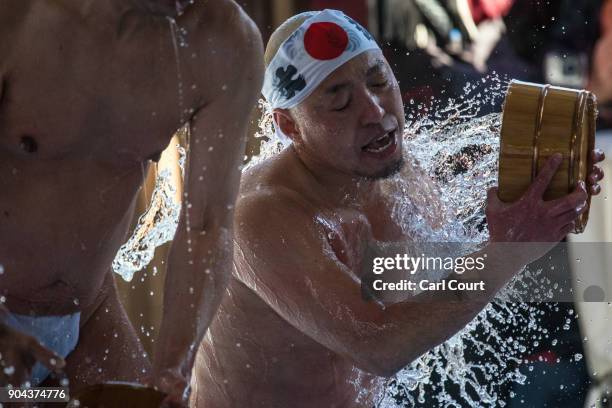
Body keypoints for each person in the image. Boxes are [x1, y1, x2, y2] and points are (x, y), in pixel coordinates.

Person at [190, 9, 605, 408]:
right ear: (289, 126)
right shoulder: (261, 216)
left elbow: (446, 281)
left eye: (379, 82)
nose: (375, 112)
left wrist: (535, 202)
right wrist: (507, 250)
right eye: (339, 102)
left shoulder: (394, 174)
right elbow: (379, 345)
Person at [0, 0, 263, 406]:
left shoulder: (223, 41)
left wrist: (175, 365)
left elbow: (208, 225)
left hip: (89, 315)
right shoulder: (17, 19)